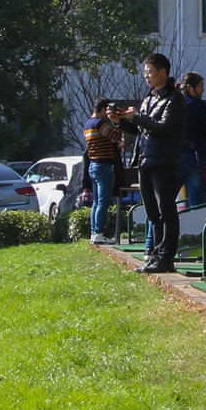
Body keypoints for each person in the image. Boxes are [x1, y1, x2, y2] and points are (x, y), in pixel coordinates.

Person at [118, 55, 186, 272]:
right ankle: (155, 256)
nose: (146, 76)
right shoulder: (150, 97)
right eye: (145, 72)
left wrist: (137, 117)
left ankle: (166, 258)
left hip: (164, 161)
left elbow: (165, 128)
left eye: (149, 71)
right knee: (152, 212)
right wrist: (121, 122)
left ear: (162, 72)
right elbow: (141, 130)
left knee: (166, 209)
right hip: (146, 159)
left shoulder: (174, 98)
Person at [83, 98, 124, 244]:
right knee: (103, 202)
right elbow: (115, 136)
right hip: (104, 165)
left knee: (96, 202)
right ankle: (99, 233)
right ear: (103, 109)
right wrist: (117, 122)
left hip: (93, 164)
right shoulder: (100, 123)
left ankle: (95, 232)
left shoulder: (88, 124)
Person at [178, 73, 206, 211]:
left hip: (173, 156)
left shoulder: (173, 104)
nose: (203, 90)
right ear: (189, 87)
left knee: (166, 200)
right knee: (197, 202)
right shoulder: (199, 105)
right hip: (195, 156)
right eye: (200, 86)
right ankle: (197, 232)